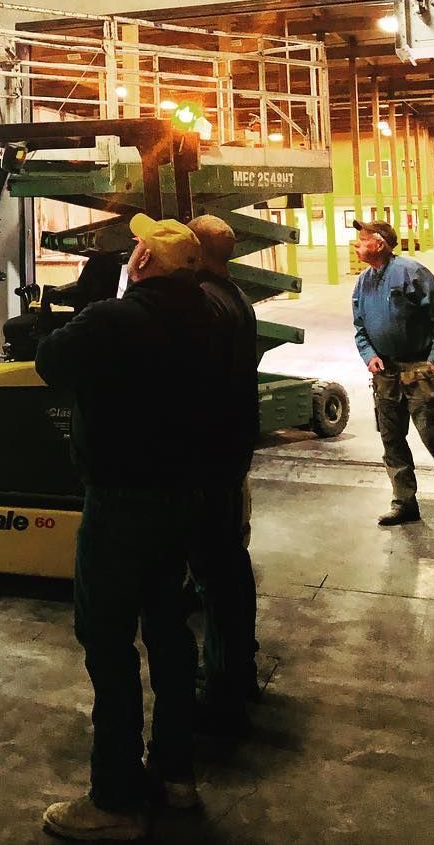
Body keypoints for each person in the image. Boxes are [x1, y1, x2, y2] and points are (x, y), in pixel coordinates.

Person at [35, 214, 224, 842]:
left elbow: (50, 361)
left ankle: (114, 796)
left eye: (137, 247)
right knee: (169, 633)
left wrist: (96, 298)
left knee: (108, 642)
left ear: (143, 264)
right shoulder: (212, 318)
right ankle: (175, 775)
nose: (131, 252)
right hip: (181, 500)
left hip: (119, 504)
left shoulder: (116, 319)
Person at [187, 214, 260, 721]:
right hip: (231, 446)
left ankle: (222, 685)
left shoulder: (203, 304)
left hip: (206, 453)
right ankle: (239, 672)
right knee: (229, 566)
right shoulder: (235, 297)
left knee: (214, 572)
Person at [351, 218, 434, 528]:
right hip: (386, 374)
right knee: (391, 440)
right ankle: (404, 503)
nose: (356, 244)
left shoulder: (411, 272)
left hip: (418, 370)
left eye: (362, 240)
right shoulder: (363, 282)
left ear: (379, 244)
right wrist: (369, 355)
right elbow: (360, 327)